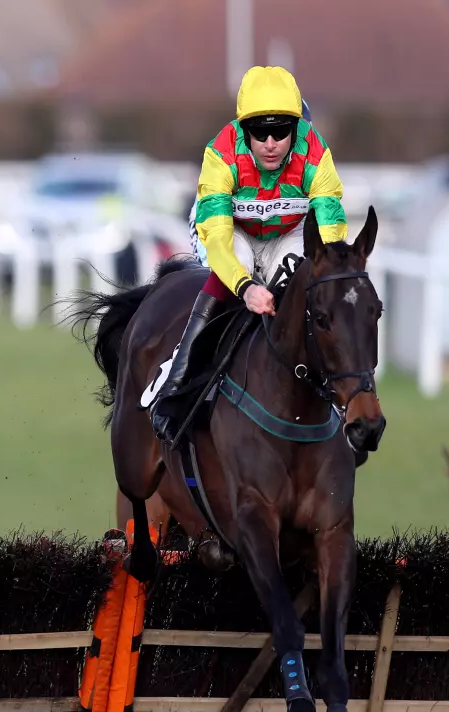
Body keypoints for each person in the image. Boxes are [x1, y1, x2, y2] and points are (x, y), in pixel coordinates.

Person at [152, 68, 346, 444]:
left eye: (282, 132)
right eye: (260, 132)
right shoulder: (220, 154)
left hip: (286, 231)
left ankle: (337, 397)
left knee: (305, 289)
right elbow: (221, 243)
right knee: (234, 286)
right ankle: (179, 381)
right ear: (244, 130)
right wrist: (243, 287)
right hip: (230, 230)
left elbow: (330, 232)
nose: (272, 143)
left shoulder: (316, 154)